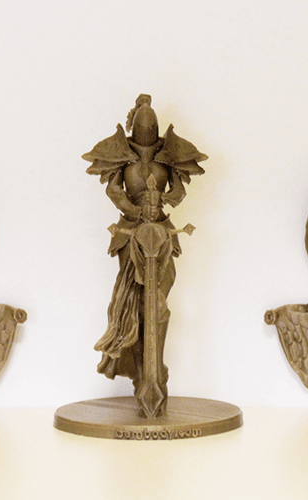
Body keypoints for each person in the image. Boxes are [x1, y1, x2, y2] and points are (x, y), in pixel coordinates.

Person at [83, 95, 207, 415]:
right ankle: (141, 374)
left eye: (151, 129)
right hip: (131, 233)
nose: (147, 133)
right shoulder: (122, 154)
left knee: (159, 304)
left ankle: (157, 373)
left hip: (161, 233)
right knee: (135, 305)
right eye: (143, 128)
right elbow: (114, 189)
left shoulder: (168, 154)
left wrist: (164, 201)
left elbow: (178, 189)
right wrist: (134, 209)